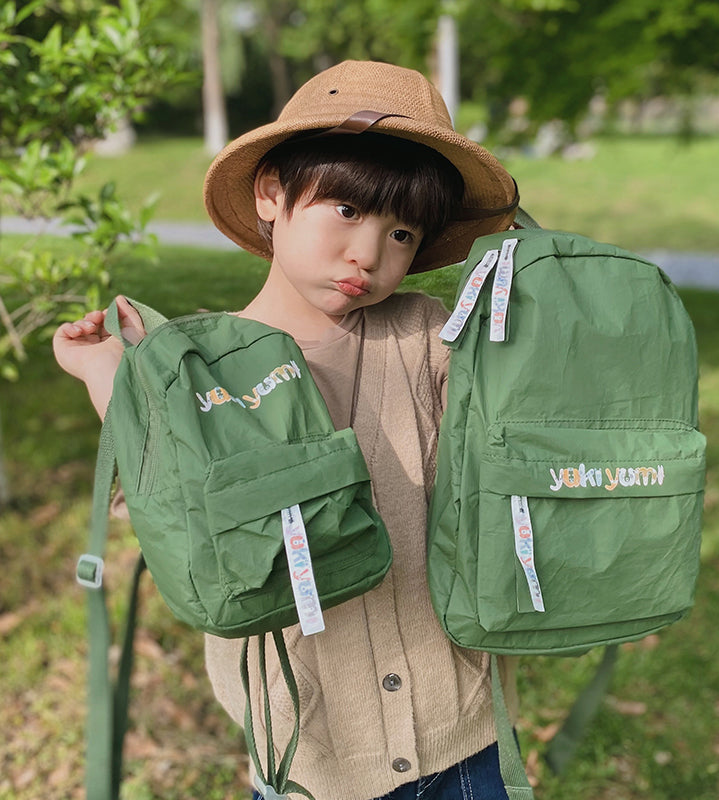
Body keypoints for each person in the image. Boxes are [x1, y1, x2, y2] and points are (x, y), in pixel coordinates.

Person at [53, 60, 520, 800]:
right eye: (345, 211)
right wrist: (113, 379)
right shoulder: (196, 369)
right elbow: (173, 511)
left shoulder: (429, 335)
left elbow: (511, 440)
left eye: (401, 232)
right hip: (311, 749)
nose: (367, 255)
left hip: (459, 730)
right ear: (271, 194)